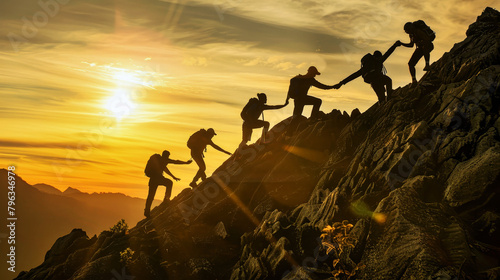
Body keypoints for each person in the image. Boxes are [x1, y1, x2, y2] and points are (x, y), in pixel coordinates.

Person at [334, 42, 400, 104]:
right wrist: (395, 45)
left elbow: (353, 76)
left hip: (373, 83)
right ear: (378, 57)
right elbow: (388, 53)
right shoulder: (379, 61)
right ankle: (389, 96)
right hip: (379, 79)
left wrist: (341, 83)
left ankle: (383, 103)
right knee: (388, 80)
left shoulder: (365, 68)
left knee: (381, 98)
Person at [144, 150, 192, 217]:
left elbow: (165, 169)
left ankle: (147, 211)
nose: (168, 157)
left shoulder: (160, 160)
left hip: (153, 179)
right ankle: (166, 200)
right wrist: (186, 163)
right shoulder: (164, 160)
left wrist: (173, 177)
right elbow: (176, 162)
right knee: (169, 183)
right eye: (168, 156)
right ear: (166, 155)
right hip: (158, 178)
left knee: (151, 195)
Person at [398, 20, 436, 84]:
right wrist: (401, 43)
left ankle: (427, 65)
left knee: (424, 48)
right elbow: (411, 45)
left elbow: (427, 40)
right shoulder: (412, 35)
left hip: (428, 46)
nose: (408, 32)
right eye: (407, 32)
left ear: (411, 27)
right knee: (410, 64)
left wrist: (421, 42)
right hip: (420, 48)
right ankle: (414, 80)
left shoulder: (418, 31)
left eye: (408, 31)